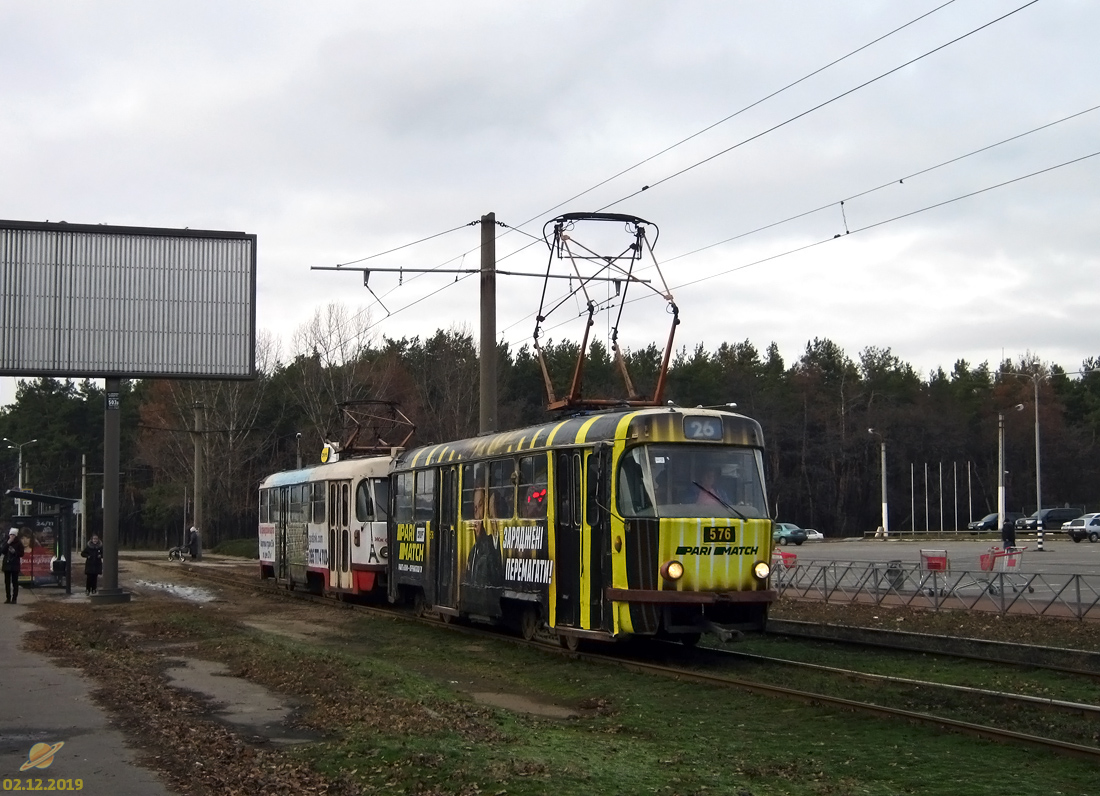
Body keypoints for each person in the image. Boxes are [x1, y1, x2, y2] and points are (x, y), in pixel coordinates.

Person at [1, 529, 26, 604]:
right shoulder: (7, 542)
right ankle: (8, 597)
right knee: (7, 582)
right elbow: (2, 551)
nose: (11, 536)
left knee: (15, 582)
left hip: (15, 564)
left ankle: (14, 598)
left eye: (13, 535)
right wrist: (8, 543)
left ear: (16, 536)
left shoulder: (19, 543)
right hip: (7, 565)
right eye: (10, 535)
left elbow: (21, 554)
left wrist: (15, 552)